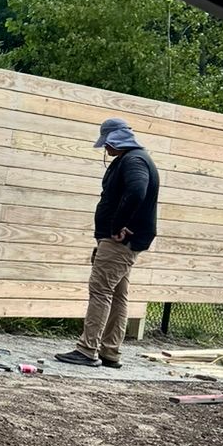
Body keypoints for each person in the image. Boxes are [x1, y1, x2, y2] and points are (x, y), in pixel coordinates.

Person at [55, 117, 161, 369]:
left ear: (116, 140)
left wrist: (117, 226)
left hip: (120, 242)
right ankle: (110, 351)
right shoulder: (136, 159)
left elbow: (137, 191)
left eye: (107, 143)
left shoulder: (133, 161)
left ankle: (87, 349)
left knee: (100, 290)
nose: (106, 148)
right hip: (127, 241)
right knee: (118, 294)